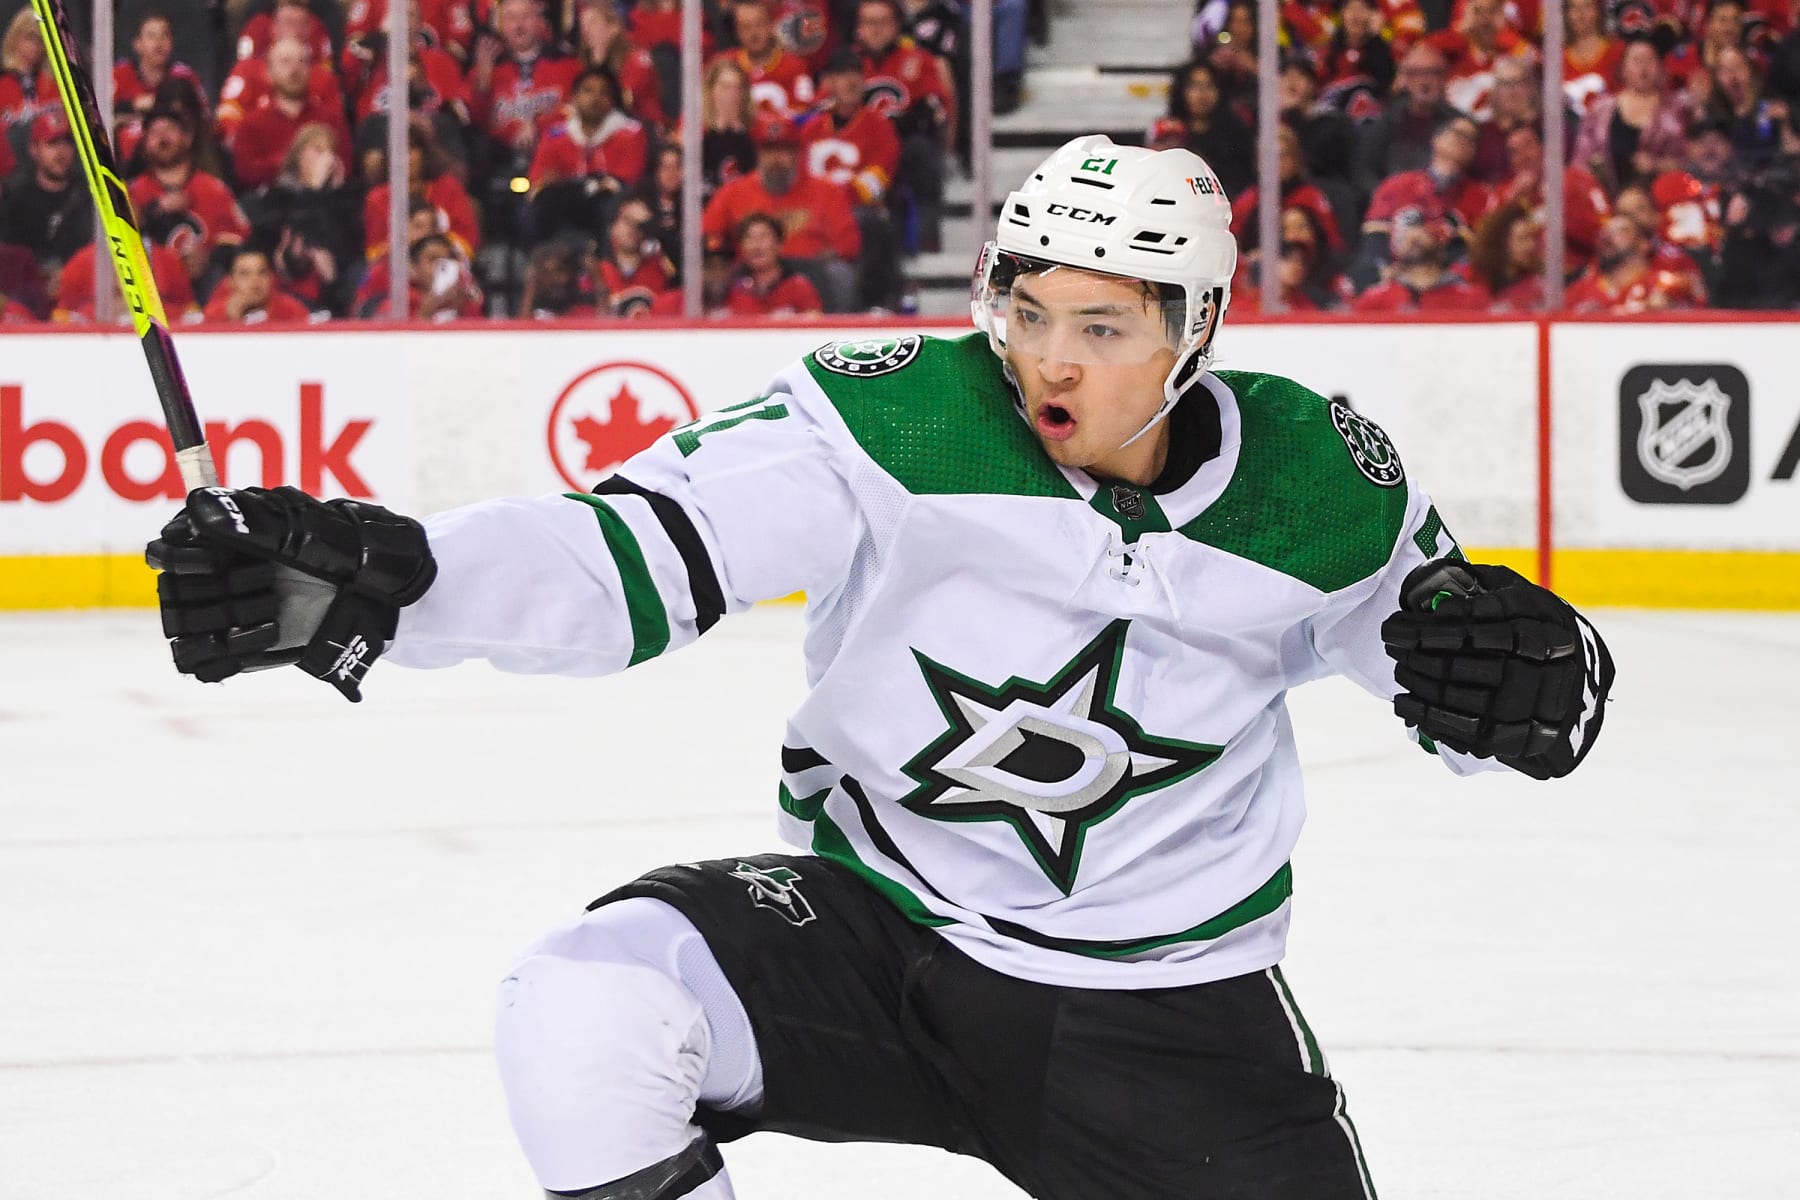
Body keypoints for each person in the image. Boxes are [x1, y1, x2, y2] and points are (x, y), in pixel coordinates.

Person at [144, 134, 1615, 1200]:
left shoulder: (1322, 484)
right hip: (877, 940)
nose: (1051, 361)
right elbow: (628, 562)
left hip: (1172, 1016)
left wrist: (1552, 688)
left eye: (1104, 328)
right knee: (589, 1004)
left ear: (1197, 332)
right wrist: (388, 584)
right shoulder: (892, 421)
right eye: (1028, 310)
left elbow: (1464, 685)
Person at [701, 112, 861, 311]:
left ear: (797, 154)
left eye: (783, 150)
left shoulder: (826, 191)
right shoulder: (732, 193)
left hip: (811, 274)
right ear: (758, 154)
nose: (776, 159)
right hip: (747, 278)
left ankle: (835, 332)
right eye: (769, 150)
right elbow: (708, 238)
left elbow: (848, 244)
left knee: (840, 273)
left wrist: (814, 262)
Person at [228, 38, 353, 191]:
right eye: (285, 62)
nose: (294, 70)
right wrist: (297, 163)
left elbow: (345, 166)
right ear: (269, 72)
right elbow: (246, 173)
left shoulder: (332, 120)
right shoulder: (251, 124)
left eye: (301, 62)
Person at [0, 112, 93, 296]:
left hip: (77, 290)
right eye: (52, 144)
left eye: (66, 144)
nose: (61, 153)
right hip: (24, 292)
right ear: (34, 149)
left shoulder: (88, 195)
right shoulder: (15, 197)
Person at [1351, 204, 1492, 309]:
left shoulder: (1472, 298)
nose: (1414, 236)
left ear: (1442, 241)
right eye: (1403, 234)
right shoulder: (1375, 299)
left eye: (1423, 230)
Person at [723, 209, 824, 314]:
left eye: (764, 237)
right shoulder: (731, 287)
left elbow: (814, 323)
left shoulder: (799, 286)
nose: (756, 246)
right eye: (749, 238)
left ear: (778, 244)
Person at [202, 245, 315, 323]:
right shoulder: (214, 315)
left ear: (271, 278)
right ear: (230, 281)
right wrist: (233, 320)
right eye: (245, 274)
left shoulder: (293, 310)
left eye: (262, 272)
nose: (255, 281)